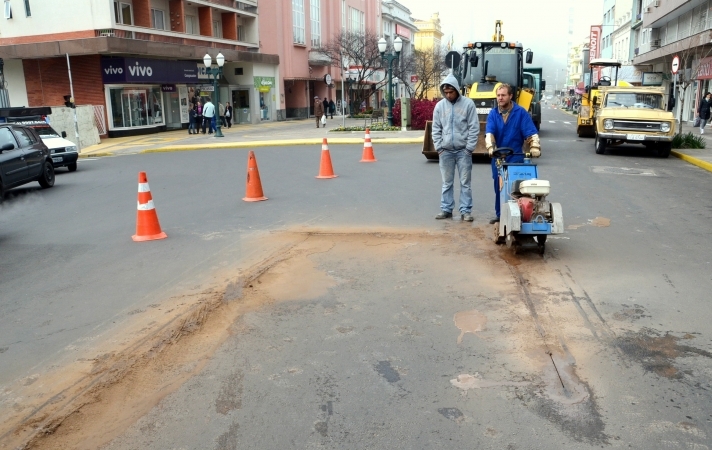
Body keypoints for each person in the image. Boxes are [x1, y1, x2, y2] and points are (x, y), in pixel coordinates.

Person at [485, 83, 541, 224]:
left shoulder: (521, 113)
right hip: (498, 158)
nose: (500, 98)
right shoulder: (493, 114)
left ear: (510, 96)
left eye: (503, 95)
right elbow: (490, 133)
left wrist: (534, 147)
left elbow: (530, 132)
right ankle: (500, 215)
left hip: (516, 157)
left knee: (518, 187)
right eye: (498, 95)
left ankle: (522, 213)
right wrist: (491, 147)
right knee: (499, 186)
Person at [431, 73, 479, 222]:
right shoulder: (439, 106)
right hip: (445, 151)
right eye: (446, 92)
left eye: (451, 92)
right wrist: (439, 147)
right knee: (447, 183)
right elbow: (436, 128)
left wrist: (469, 148)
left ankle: (465, 211)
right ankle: (446, 209)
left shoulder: (468, 104)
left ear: (457, 90)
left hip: (463, 151)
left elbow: (474, 127)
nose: (448, 95)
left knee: (465, 183)